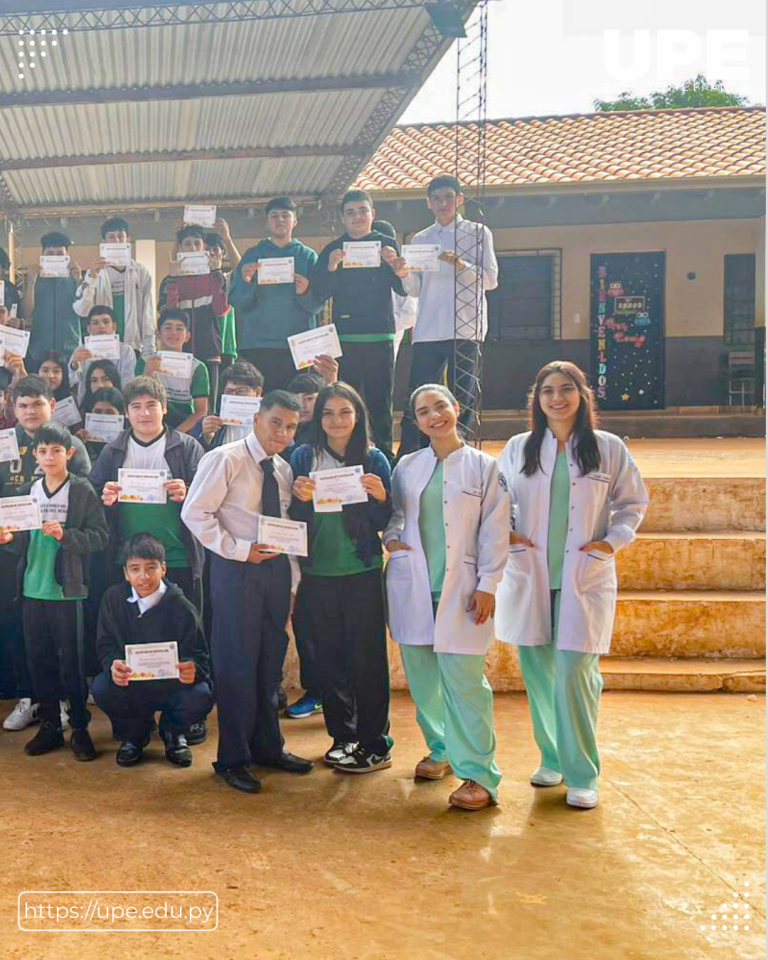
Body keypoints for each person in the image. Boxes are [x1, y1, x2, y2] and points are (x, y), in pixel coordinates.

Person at [496, 361, 648, 809]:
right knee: (539, 675)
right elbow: (497, 499)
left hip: (583, 575)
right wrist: (506, 534)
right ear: (536, 399)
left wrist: (611, 542)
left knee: (574, 675)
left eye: (566, 389)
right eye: (547, 391)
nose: (556, 398)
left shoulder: (606, 447)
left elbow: (633, 501)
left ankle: (583, 772)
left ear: (582, 396)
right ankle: (553, 758)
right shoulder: (519, 447)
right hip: (532, 575)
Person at [181, 390, 313, 793]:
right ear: (257, 418)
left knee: (268, 665)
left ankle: (267, 748)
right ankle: (232, 759)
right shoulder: (226, 458)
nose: (283, 433)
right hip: (236, 571)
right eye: (276, 422)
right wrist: (239, 550)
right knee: (237, 667)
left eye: (291, 426)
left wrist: (291, 584)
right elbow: (194, 512)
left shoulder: (282, 469)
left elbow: (285, 527)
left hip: (274, 575)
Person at [384, 384, 508, 811]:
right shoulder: (407, 466)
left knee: (466, 684)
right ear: (416, 421)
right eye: (423, 411)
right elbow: (397, 516)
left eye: (441, 407)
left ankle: (479, 775)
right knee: (424, 684)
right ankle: (441, 750)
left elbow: (495, 529)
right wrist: (392, 539)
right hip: (414, 586)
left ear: (456, 409)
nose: (434, 416)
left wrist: (489, 583)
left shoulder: (484, 467)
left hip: (464, 590)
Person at [289, 383, 393, 770]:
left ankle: (374, 741)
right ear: (318, 418)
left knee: (367, 660)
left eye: (344, 412)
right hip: (317, 573)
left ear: (358, 415)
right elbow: (291, 520)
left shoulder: (375, 459)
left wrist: (382, 498)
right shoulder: (302, 457)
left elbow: (386, 522)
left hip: (362, 571)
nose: (336, 421)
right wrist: (297, 500)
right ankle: (343, 737)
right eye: (328, 413)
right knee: (328, 659)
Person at [0, 421, 108, 761]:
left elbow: (101, 537)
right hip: (32, 589)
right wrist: (8, 539)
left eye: (57, 451)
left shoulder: (81, 490)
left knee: (72, 664)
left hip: (67, 591)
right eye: (43, 451)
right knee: (39, 661)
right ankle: (50, 724)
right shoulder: (30, 491)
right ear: (35, 454)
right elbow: (22, 541)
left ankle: (79, 727)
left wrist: (67, 535)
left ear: (70, 453)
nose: (49, 457)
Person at [92, 533, 213, 768]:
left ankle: (173, 732)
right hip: (133, 684)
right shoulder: (113, 599)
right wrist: (113, 663)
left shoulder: (182, 606)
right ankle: (135, 735)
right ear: (126, 573)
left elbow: (200, 655)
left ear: (163, 569)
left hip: (172, 685)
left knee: (203, 693)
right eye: (135, 569)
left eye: (151, 568)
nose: (144, 577)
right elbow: (105, 644)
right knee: (102, 687)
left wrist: (193, 668)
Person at [398, 176, 499, 455]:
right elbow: (417, 289)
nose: (443, 203)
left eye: (448, 197)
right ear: (428, 203)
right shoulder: (421, 239)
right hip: (428, 328)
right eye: (437, 199)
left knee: (462, 395)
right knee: (418, 393)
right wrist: (404, 274)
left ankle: (458, 450)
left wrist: (461, 264)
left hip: (466, 326)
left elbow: (491, 280)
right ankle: (414, 452)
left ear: (460, 199)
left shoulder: (478, 232)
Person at [89, 376, 204, 613]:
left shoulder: (187, 447)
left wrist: (189, 492)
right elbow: (91, 497)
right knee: (133, 631)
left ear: (163, 408)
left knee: (181, 630)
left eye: (151, 405)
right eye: (136, 407)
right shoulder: (112, 450)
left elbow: (210, 496)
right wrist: (105, 497)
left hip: (178, 556)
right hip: (127, 560)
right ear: (126, 412)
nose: (144, 413)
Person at [312, 190, 408, 457]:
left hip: (381, 336)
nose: (357, 217)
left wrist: (397, 268)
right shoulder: (333, 249)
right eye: (351, 212)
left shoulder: (387, 244)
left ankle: (384, 459)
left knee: (381, 403)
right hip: (346, 339)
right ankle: (349, 455)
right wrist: (331, 267)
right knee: (345, 403)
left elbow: (403, 289)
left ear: (372, 214)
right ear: (342, 218)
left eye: (362, 211)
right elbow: (318, 293)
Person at [230, 196, 322, 389]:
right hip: (258, 345)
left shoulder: (308, 256)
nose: (280, 220)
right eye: (274, 216)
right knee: (261, 404)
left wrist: (305, 292)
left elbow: (317, 305)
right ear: (267, 222)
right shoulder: (252, 255)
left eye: (285, 215)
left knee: (297, 404)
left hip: (298, 345)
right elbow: (237, 302)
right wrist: (246, 283)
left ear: (294, 221)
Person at [158, 224, 231, 402]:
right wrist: (173, 279)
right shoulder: (169, 279)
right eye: (187, 244)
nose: (192, 248)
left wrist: (216, 272)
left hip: (209, 351)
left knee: (208, 404)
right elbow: (168, 313)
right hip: (179, 352)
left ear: (204, 247)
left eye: (196, 243)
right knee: (180, 401)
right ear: (180, 248)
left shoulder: (215, 276)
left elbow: (222, 310)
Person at [73, 217, 156, 358]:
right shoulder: (93, 273)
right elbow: (81, 310)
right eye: (111, 237)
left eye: (120, 237)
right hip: (101, 346)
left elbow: (147, 313)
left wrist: (149, 350)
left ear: (128, 240)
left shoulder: (141, 272)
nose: (116, 241)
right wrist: (92, 277)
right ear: (104, 242)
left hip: (132, 345)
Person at [136, 308, 209, 434]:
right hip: (148, 424)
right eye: (168, 328)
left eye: (179, 328)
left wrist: (177, 434)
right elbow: (134, 400)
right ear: (158, 334)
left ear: (187, 336)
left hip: (185, 429)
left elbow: (201, 411)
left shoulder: (197, 367)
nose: (173, 333)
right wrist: (147, 373)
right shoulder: (145, 361)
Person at [21, 231, 82, 364]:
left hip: (70, 349)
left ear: (67, 256)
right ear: (42, 255)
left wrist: (79, 282)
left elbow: (84, 311)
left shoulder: (74, 279)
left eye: (60, 254)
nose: (55, 258)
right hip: (38, 350)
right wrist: (31, 282)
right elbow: (26, 313)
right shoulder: (35, 280)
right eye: (50, 254)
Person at [69, 305, 137, 405]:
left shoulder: (126, 351)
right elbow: (71, 382)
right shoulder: (81, 351)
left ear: (114, 326)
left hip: (117, 403)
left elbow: (128, 384)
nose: (101, 326)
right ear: (89, 329)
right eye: (95, 323)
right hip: (88, 403)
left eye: (106, 322)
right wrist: (74, 365)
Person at [372, 220, 418, 362]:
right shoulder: (360, 270)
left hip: (388, 340)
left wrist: (381, 323)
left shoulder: (401, 272)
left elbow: (410, 316)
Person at [193, 359, 263, 452]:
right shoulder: (211, 422)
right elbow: (195, 456)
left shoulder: (268, 423)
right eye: (229, 392)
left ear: (257, 392)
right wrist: (206, 438)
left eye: (241, 391)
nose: (234, 396)